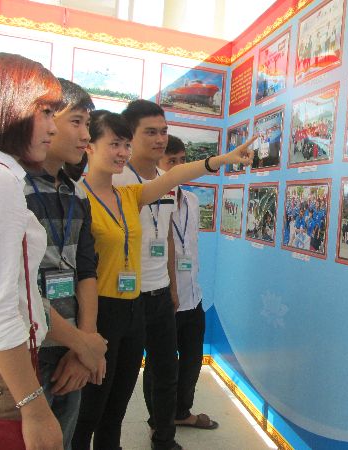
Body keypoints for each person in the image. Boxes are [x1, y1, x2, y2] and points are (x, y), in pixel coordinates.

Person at [72, 110, 254, 450]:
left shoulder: (129, 195)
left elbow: (176, 175)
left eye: (125, 145)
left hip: (132, 309)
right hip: (100, 310)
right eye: (114, 144)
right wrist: (85, 331)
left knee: (117, 406)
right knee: (90, 407)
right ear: (89, 146)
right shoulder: (77, 198)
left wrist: (221, 160)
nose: (122, 152)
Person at [0, 52, 104, 450]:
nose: (52, 127)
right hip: (3, 370)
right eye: (46, 112)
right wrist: (34, 408)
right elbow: (0, 307)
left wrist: (83, 340)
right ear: (10, 105)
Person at [22, 78, 107, 450]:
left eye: (87, 124)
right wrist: (84, 344)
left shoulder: (75, 193)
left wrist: (83, 343)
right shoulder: (13, 186)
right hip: (27, 347)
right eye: (76, 122)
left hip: (71, 346)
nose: (85, 135)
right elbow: (18, 287)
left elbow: (86, 270)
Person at [112, 100, 178, 450]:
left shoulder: (169, 181)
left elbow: (166, 237)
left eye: (163, 131)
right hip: (126, 297)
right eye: (150, 132)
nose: (160, 139)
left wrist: (173, 287)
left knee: (166, 372)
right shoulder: (116, 179)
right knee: (118, 381)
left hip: (161, 293)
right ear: (130, 136)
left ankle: (164, 437)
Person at [157, 135, 219, 432]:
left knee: (193, 361)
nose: (180, 167)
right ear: (158, 163)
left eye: (183, 160)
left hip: (193, 298)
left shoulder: (192, 201)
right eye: (172, 161)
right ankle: (158, 421)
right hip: (163, 300)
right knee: (161, 366)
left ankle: (182, 412)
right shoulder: (150, 200)